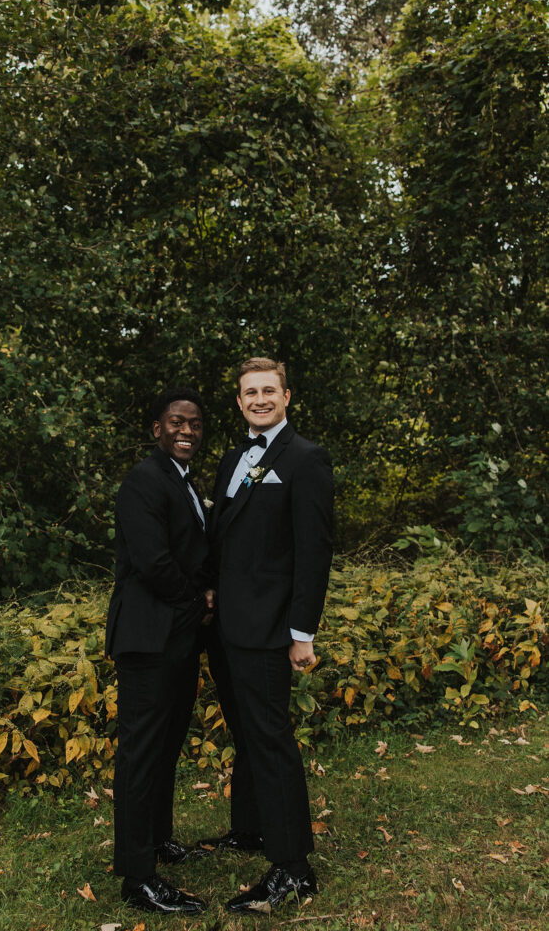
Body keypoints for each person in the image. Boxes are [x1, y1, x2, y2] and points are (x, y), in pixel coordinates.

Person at [198, 357, 334, 913]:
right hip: (226, 626)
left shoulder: (305, 459)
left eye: (268, 391)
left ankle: (292, 867)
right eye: (249, 392)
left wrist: (301, 633)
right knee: (246, 732)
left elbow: (314, 552)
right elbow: (221, 536)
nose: (258, 399)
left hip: (271, 628)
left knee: (271, 739)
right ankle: (250, 829)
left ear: (286, 396)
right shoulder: (233, 457)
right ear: (238, 401)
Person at [105, 387, 214, 914]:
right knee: (142, 753)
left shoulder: (183, 481)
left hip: (176, 636)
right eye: (176, 422)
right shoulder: (143, 481)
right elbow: (152, 562)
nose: (186, 431)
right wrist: (199, 603)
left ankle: (158, 840)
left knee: (168, 744)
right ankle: (137, 878)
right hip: (149, 637)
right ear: (157, 428)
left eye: (194, 423)